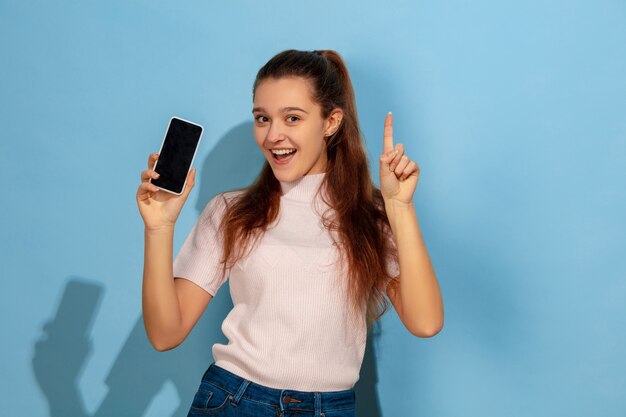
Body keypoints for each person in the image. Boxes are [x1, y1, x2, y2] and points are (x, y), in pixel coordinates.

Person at [136, 49, 443, 417]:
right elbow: (165, 333)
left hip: (330, 408)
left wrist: (400, 208)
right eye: (262, 118)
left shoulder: (371, 216)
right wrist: (159, 227)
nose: (272, 135)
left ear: (331, 121)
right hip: (234, 401)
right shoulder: (231, 212)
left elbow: (426, 322)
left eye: (292, 118)